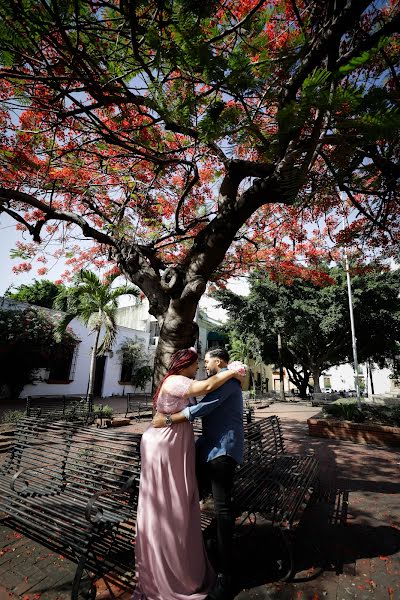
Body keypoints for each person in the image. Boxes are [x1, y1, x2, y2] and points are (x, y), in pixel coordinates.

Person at [132, 348, 244, 600]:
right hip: (180, 444)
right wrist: (236, 371)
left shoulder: (227, 380)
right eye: (197, 363)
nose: (201, 367)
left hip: (219, 448)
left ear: (218, 362)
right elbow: (203, 391)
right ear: (186, 364)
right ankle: (183, 549)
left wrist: (235, 371)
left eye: (205, 362)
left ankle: (225, 573)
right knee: (177, 497)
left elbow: (201, 406)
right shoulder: (182, 380)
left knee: (196, 501)